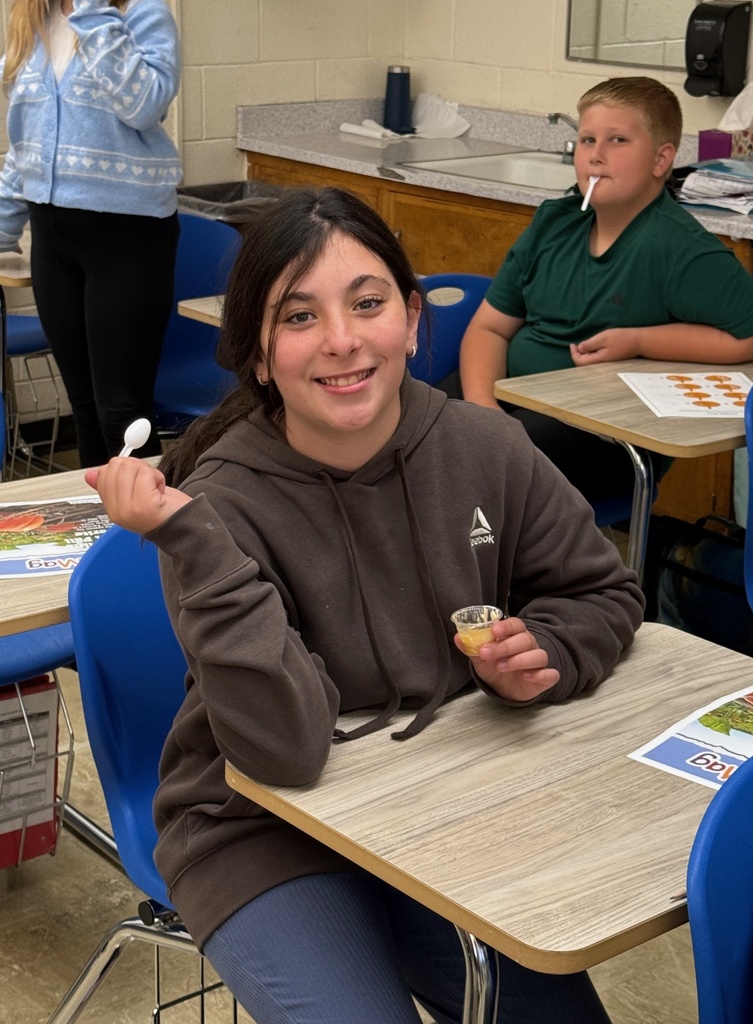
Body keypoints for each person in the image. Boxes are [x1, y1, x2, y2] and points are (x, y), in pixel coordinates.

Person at [85, 186, 645, 1024]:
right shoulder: (222, 506)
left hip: (438, 803)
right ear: (260, 355)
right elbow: (284, 752)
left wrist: (549, 653)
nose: (343, 341)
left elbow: (600, 588)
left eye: (369, 303)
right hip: (259, 832)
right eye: (299, 317)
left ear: (413, 320)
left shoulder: (485, 445)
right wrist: (192, 542)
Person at [458, 77, 753, 502]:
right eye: (587, 140)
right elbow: (489, 329)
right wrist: (482, 412)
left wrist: (637, 340)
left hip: (605, 434)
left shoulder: (677, 247)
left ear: (661, 160)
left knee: (478, 467)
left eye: (617, 140)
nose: (596, 156)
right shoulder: (553, 223)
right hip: (509, 405)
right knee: (410, 428)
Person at [0, 0, 182, 467]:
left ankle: (150, 535)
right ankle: (100, 530)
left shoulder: (141, 13)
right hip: (52, 238)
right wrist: (2, 229)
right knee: (82, 407)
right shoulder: (33, 21)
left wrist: (94, 11)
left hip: (128, 239)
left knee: (122, 413)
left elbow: (144, 106)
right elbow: (26, 147)